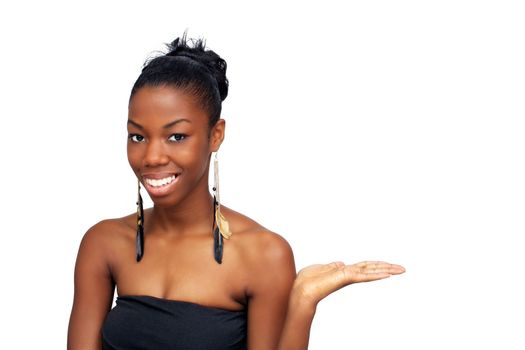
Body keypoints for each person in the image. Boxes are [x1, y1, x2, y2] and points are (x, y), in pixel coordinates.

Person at [67, 31, 405, 350]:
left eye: (177, 136)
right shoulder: (104, 244)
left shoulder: (262, 254)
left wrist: (302, 300)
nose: (152, 156)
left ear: (215, 135)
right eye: (138, 136)